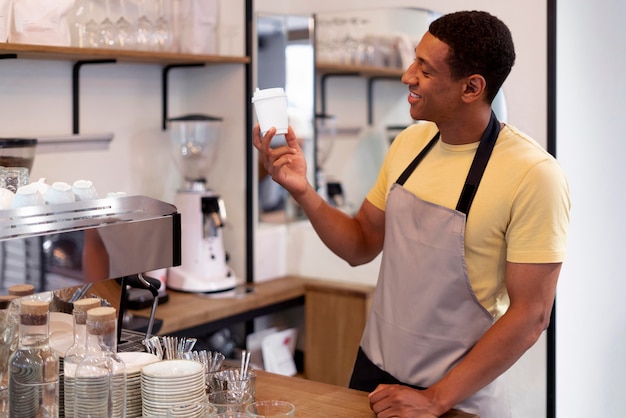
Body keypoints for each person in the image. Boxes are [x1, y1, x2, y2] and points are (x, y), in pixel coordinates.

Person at [253, 10, 570, 418]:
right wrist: (302, 191)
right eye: (413, 60)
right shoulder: (410, 143)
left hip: (458, 399)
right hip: (374, 378)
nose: (407, 75)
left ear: (472, 87)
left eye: (425, 68)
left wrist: (436, 398)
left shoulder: (534, 175)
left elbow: (531, 316)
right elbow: (361, 244)